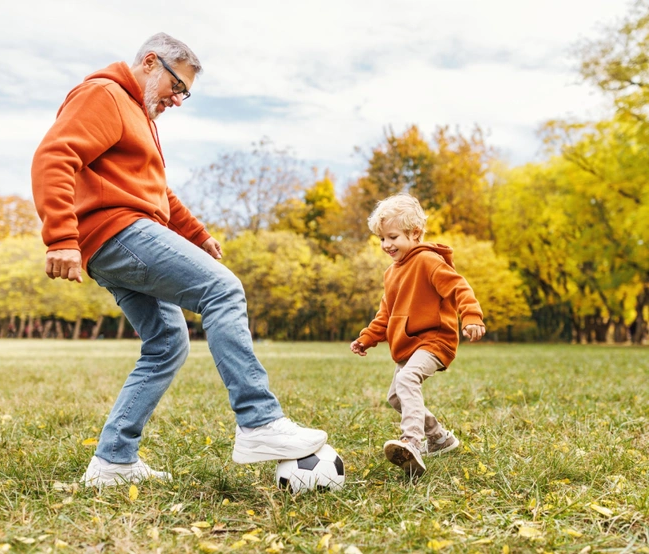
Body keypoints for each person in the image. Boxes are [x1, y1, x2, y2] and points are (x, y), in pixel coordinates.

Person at [31, 32, 326, 487]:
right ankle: (259, 422)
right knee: (223, 288)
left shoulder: (138, 116)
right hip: (117, 231)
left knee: (168, 343)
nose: (179, 99)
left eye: (186, 93)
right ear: (151, 62)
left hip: (120, 235)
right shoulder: (105, 94)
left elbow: (156, 191)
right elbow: (54, 157)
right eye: (178, 87)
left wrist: (196, 234)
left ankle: (113, 461)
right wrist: (60, 238)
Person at [349, 194, 485, 477]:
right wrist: (367, 338)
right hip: (408, 346)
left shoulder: (428, 261)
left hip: (435, 340)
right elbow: (385, 314)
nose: (386, 245)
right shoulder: (391, 273)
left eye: (393, 237)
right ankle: (439, 438)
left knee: (407, 379)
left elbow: (459, 287)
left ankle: (412, 440)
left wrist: (471, 316)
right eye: (382, 239)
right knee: (396, 396)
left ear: (415, 233)